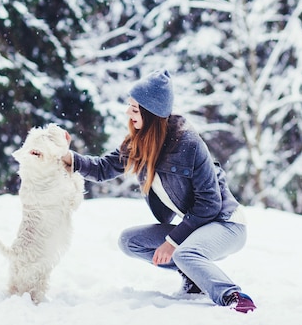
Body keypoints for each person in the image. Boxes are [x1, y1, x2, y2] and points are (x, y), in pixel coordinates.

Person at [61, 70, 256, 313]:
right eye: (129, 107)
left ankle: (233, 296)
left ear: (151, 113)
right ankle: (195, 278)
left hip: (226, 223)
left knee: (185, 253)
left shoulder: (189, 144)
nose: (128, 113)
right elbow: (102, 168)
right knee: (130, 241)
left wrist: (172, 242)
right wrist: (66, 157)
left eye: (134, 109)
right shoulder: (139, 144)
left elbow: (209, 205)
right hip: (196, 225)